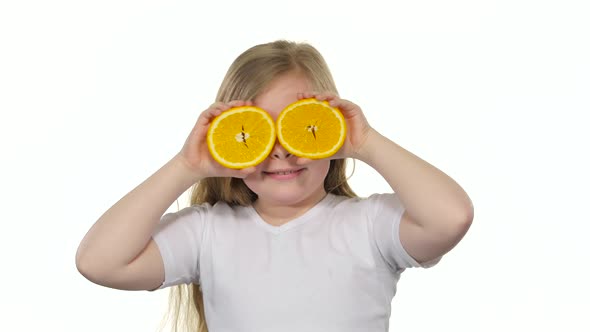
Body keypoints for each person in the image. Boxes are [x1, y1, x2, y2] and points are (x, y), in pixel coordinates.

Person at [76, 40, 474, 332]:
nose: (280, 152)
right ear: (228, 137)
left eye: (300, 127)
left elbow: (451, 217)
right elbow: (99, 262)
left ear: (329, 127)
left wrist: (364, 143)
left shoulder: (370, 225)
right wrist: (186, 167)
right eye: (257, 132)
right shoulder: (208, 232)